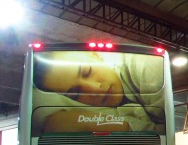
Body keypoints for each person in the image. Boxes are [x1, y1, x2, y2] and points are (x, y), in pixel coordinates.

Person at [31, 50, 165, 134]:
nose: (95, 89)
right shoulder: (84, 110)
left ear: (96, 55)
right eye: (77, 93)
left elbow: (171, 138)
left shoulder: (147, 68)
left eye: (87, 71)